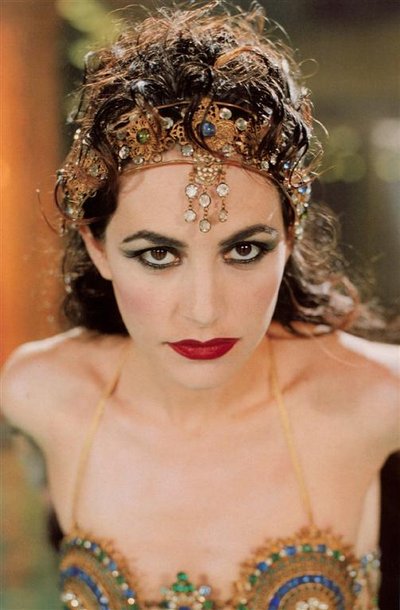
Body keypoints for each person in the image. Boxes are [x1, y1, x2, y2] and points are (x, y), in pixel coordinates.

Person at [2, 3, 399, 609]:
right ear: (97, 247)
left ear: (289, 239)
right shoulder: (43, 394)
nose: (205, 311)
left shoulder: (378, 401)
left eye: (244, 249)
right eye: (159, 255)